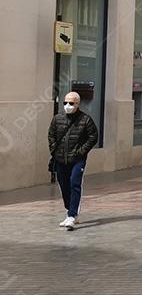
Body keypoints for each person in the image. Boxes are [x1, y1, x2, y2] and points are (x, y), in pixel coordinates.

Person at [48, 91, 98, 230]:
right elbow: (51, 134)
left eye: (71, 103)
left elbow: (93, 137)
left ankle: (71, 215)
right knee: (64, 185)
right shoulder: (57, 119)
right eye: (65, 103)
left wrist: (81, 151)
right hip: (60, 158)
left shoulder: (85, 120)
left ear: (77, 104)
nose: (67, 105)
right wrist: (53, 149)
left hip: (77, 159)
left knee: (74, 183)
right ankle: (70, 210)